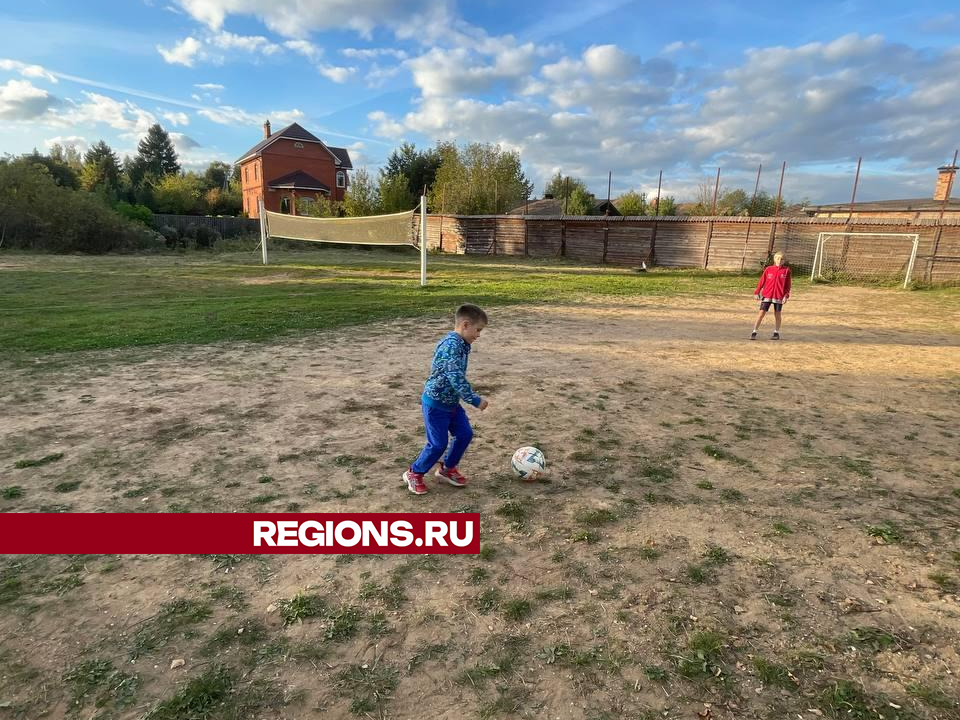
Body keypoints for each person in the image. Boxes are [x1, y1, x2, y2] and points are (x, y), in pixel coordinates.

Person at [403, 304, 489, 495]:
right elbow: (456, 377)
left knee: (465, 434)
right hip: (435, 405)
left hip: (451, 403)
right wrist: (474, 399)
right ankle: (414, 473)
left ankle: (447, 469)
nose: (479, 335)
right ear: (465, 325)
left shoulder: (462, 344)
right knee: (438, 444)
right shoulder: (451, 346)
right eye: (478, 330)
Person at [751, 252, 792, 340]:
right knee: (761, 313)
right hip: (767, 295)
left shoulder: (786, 271)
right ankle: (754, 331)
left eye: (782, 259)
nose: (779, 260)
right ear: (774, 259)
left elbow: (788, 286)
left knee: (777, 314)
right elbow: (762, 281)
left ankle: (776, 333)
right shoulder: (768, 269)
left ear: (784, 261)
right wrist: (757, 292)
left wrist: (786, 296)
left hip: (778, 296)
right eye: (778, 258)